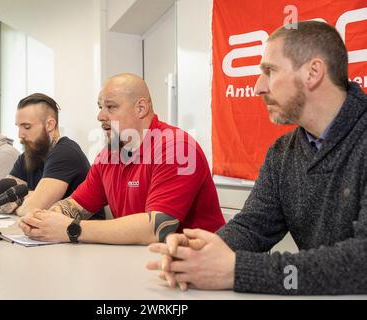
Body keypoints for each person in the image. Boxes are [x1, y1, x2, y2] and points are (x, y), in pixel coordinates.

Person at [146, 21, 367, 295]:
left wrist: (238, 270)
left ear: (313, 72)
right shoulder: (282, 152)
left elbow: (361, 262)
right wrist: (196, 255)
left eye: (270, 71)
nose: (257, 87)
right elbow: (253, 226)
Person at [18, 73, 225, 245]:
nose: (100, 116)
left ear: (141, 108)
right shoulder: (110, 154)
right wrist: (43, 221)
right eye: (100, 107)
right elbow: (76, 205)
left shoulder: (178, 147)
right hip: (140, 265)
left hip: (197, 276)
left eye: (111, 107)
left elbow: (156, 229)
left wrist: (71, 229)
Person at [3, 93, 103, 218]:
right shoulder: (27, 156)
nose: (20, 134)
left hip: (80, 234)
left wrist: (26, 200)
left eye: (27, 127)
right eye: (19, 127)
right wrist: (33, 195)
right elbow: (1, 201)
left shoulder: (65, 152)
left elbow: (32, 209)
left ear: (49, 125)